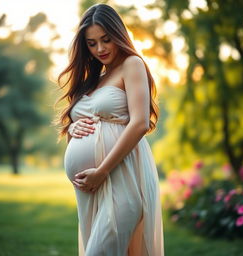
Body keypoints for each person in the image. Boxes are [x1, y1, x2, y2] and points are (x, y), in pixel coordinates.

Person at [55, 3, 164, 256]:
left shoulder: (132, 64)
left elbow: (139, 123)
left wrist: (101, 171)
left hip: (120, 179)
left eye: (106, 39)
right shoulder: (95, 77)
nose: (100, 49)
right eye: (92, 43)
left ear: (118, 34)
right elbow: (83, 124)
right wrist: (74, 128)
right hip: (89, 188)